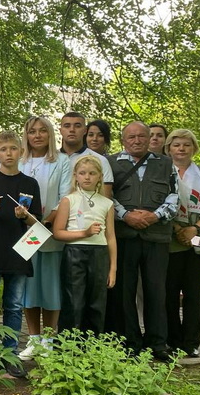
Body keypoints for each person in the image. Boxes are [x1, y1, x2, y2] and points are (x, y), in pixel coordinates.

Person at [0, 131, 42, 378]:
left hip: (19, 254)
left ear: (21, 152)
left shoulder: (30, 184)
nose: (9, 153)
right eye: (4, 149)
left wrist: (25, 216)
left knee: (13, 307)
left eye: (14, 148)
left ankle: (9, 356)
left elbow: (37, 224)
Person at [107, 121, 177, 360]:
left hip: (156, 236)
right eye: (131, 137)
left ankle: (158, 344)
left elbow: (175, 196)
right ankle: (130, 343)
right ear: (123, 140)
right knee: (124, 292)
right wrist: (125, 215)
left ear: (149, 139)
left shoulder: (166, 163)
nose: (136, 141)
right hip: (124, 236)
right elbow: (107, 196)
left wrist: (154, 216)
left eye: (141, 137)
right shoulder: (111, 162)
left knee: (157, 291)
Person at [17, 116, 71, 360]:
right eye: (31, 132)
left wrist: (46, 221)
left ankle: (49, 339)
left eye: (42, 131)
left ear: (50, 135)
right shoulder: (19, 160)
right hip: (23, 233)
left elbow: (65, 196)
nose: (37, 135)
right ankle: (34, 339)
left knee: (49, 288)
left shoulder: (62, 161)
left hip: (48, 231)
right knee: (28, 287)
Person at [53, 156, 116, 334]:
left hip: (99, 254)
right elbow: (58, 232)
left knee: (97, 303)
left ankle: (94, 348)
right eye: (82, 173)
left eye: (92, 173)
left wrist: (113, 269)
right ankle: (69, 347)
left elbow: (110, 236)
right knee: (74, 302)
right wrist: (84, 233)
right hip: (75, 254)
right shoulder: (68, 200)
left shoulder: (107, 203)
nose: (87, 177)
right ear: (76, 176)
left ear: (99, 177)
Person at [164, 129, 200, 358]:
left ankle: (191, 342)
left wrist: (196, 227)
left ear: (194, 148)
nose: (181, 149)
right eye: (176, 145)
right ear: (168, 148)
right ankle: (173, 340)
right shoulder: (163, 172)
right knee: (170, 292)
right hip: (171, 238)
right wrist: (177, 228)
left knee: (194, 294)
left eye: (186, 145)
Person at [59, 112, 113, 197]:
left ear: (85, 130)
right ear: (60, 130)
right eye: (67, 126)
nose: (72, 130)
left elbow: (105, 200)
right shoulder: (50, 159)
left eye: (77, 126)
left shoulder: (100, 160)